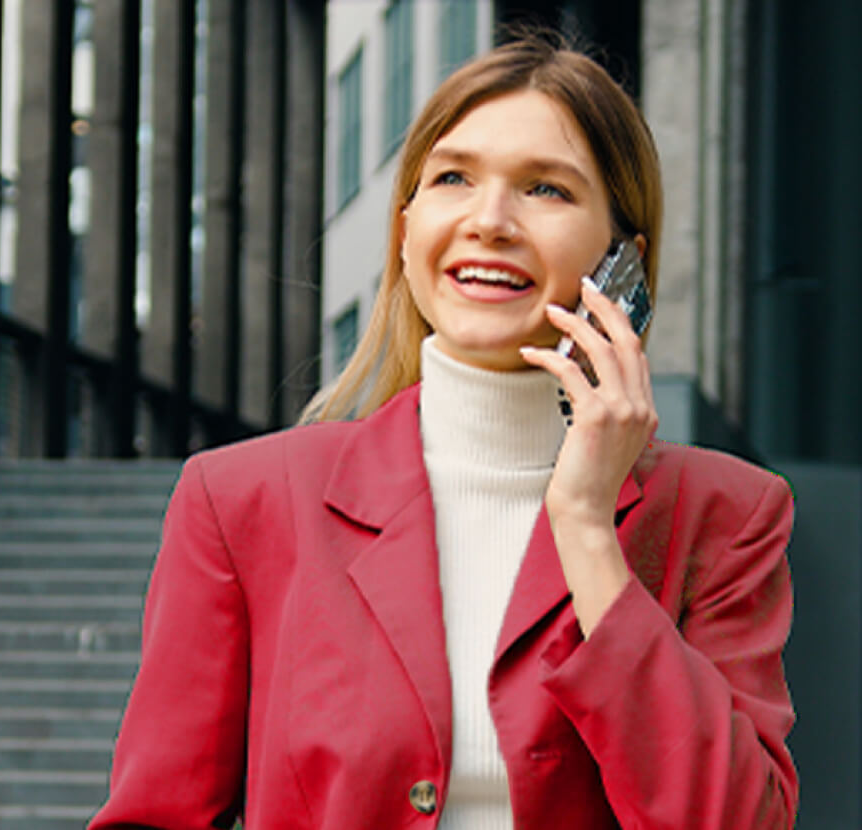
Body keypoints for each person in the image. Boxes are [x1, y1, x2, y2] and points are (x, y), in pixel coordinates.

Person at [89, 32, 797, 829]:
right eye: (453, 178)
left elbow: (738, 818)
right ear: (405, 228)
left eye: (547, 190)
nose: (488, 221)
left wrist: (589, 532)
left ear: (620, 263)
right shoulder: (242, 501)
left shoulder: (727, 515)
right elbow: (155, 816)